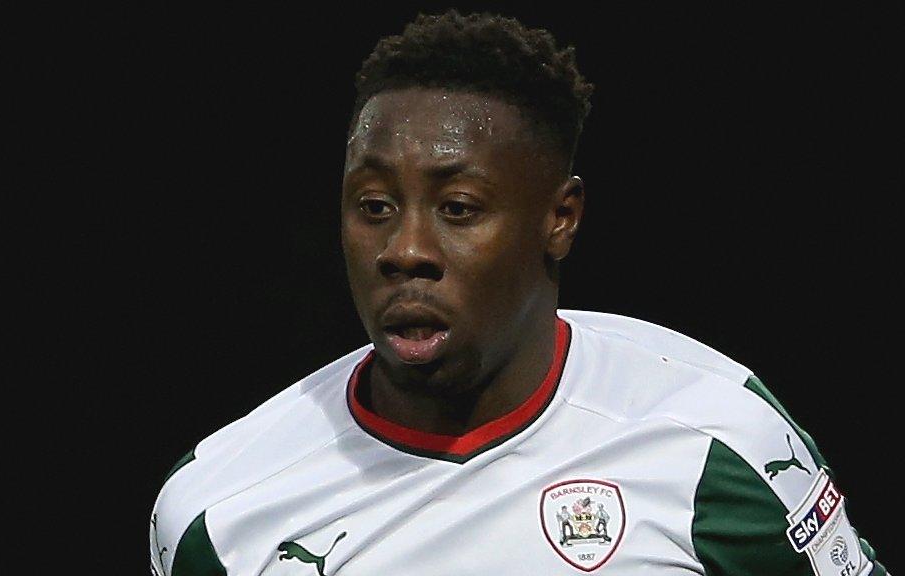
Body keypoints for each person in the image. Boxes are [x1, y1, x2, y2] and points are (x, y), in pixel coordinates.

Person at [150, 10, 886, 576]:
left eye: (458, 208)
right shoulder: (219, 510)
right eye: (374, 206)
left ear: (559, 218)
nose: (406, 250)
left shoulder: (714, 443)